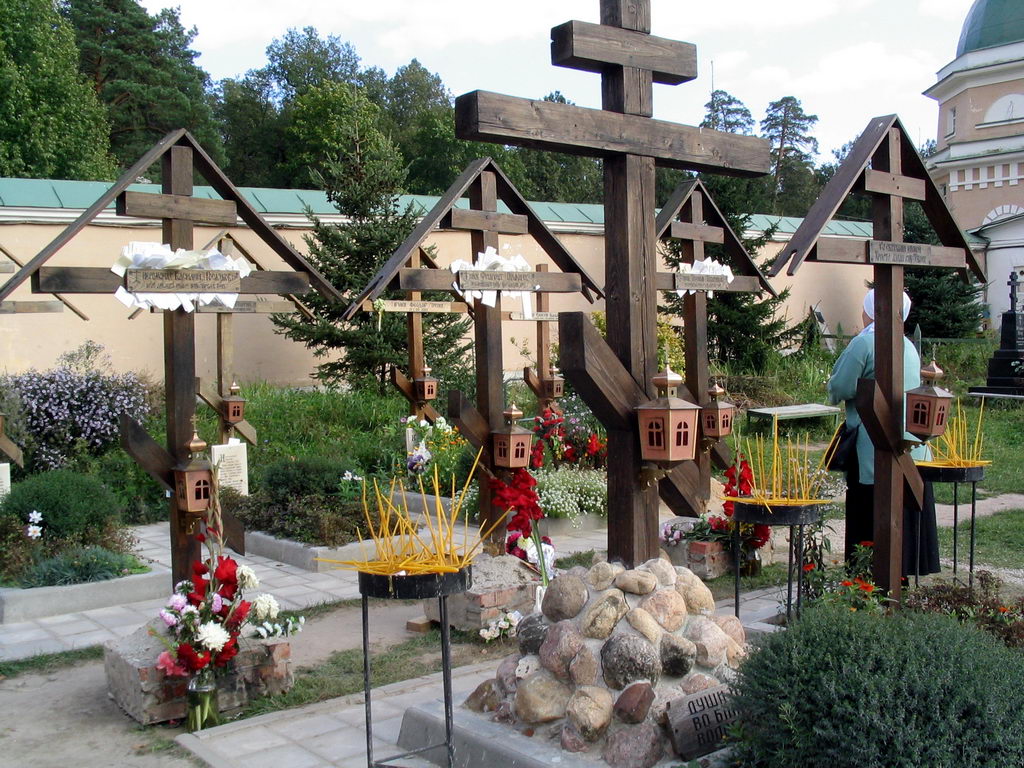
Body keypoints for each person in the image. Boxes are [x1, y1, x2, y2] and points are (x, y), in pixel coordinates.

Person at [827, 289, 940, 577]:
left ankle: (869, 575)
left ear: (872, 310)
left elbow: (840, 387)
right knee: (905, 507)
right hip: (910, 444)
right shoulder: (908, 345)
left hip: (873, 443)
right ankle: (902, 572)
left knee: (870, 510)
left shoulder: (864, 343)